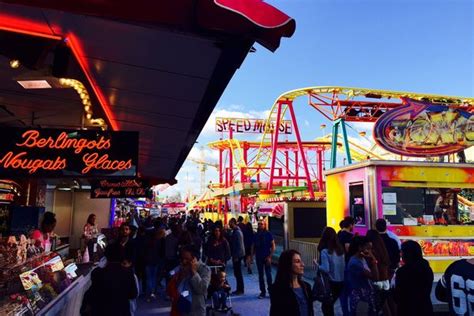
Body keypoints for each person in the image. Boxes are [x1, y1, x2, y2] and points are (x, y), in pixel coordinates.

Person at [83, 243, 138, 316]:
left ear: (106, 255)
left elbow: (93, 293)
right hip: (122, 311)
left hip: (101, 312)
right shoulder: (128, 273)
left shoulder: (97, 273)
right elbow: (133, 294)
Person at [167, 245, 211, 316]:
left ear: (194, 258)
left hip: (196, 310)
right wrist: (181, 276)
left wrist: (194, 272)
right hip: (182, 307)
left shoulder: (204, 269)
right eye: (182, 259)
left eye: (187, 259)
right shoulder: (181, 268)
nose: (184, 261)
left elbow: (201, 289)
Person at [394, 240, 434, 316]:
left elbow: (398, 296)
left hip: (407, 310)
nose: (401, 255)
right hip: (425, 309)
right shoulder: (427, 268)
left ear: (407, 254)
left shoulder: (403, 272)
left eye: (402, 252)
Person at [270, 249, 313, 316]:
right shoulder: (278, 289)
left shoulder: (307, 287)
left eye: (301, 261)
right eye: (297, 261)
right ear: (288, 264)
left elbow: (310, 311)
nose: (302, 264)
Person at [345, 236, 378, 316]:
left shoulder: (361, 259)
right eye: (368, 248)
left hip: (365, 296)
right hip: (360, 299)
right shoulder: (355, 263)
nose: (371, 251)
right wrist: (373, 261)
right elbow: (375, 277)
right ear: (360, 248)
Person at [317, 227, 345, 316]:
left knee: (326, 307)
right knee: (332, 305)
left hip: (331, 282)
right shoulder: (340, 251)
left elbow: (326, 269)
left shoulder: (325, 252)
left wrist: (317, 265)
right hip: (341, 282)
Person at [365, 229, 392, 315]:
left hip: (377, 280)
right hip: (386, 280)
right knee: (385, 305)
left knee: (375, 307)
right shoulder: (383, 249)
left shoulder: (371, 251)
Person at [253, 220, 276, 299]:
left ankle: (270, 291)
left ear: (264, 225)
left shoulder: (268, 234)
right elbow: (253, 246)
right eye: (259, 224)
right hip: (258, 257)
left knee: (268, 275)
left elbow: (273, 245)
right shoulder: (256, 235)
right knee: (260, 275)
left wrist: (270, 256)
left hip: (266, 257)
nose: (260, 225)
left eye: (261, 224)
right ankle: (262, 292)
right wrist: (251, 256)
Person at [144, 227, 166, 302]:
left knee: (149, 278)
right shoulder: (159, 242)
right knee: (153, 277)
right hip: (155, 261)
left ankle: (149, 293)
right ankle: (152, 292)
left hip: (148, 261)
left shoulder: (147, 242)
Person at [228, 218, 245, 295]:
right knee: (237, 273)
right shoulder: (236, 231)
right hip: (237, 254)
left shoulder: (237, 232)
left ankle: (240, 289)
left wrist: (237, 256)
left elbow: (239, 246)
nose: (229, 224)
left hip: (237, 255)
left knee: (238, 273)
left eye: (230, 223)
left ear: (233, 223)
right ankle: (239, 289)